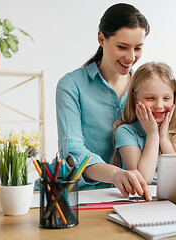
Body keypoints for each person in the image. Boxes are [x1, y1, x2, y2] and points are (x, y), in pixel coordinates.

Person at [56, 3, 152, 200]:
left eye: (138, 48)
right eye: (122, 47)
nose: (131, 57)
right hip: (82, 196)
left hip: (132, 197)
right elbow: (73, 152)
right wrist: (116, 174)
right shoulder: (71, 85)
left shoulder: (147, 87)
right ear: (101, 38)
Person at [112, 62, 176, 184]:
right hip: (141, 199)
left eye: (166, 98)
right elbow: (143, 179)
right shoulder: (125, 132)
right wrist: (153, 134)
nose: (159, 106)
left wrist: (164, 139)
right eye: (150, 98)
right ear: (135, 98)